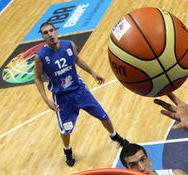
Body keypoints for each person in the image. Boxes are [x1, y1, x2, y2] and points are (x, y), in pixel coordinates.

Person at [34, 23, 129, 167]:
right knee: (65, 130)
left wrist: (93, 72)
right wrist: (46, 100)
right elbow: (37, 77)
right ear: (42, 37)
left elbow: (77, 60)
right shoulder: (40, 56)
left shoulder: (69, 45)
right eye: (45, 33)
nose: (50, 34)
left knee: (103, 115)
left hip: (80, 91)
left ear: (56, 31)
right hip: (62, 98)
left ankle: (114, 135)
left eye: (51, 31)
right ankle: (67, 150)